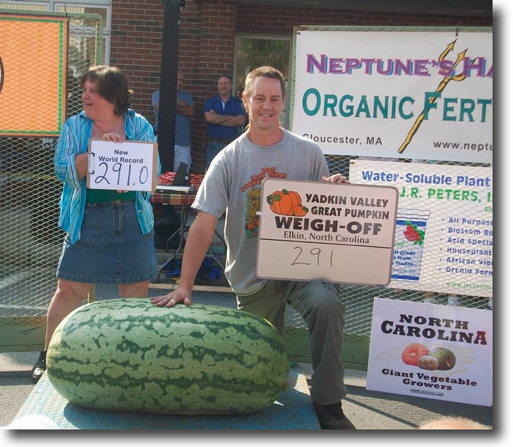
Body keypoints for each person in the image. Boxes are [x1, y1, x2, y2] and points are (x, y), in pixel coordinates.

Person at [151, 66, 355, 430]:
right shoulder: (228, 159)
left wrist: (338, 187)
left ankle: (329, 401)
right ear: (245, 101)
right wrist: (184, 284)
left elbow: (328, 210)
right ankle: (277, 379)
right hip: (252, 276)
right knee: (263, 368)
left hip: (301, 268)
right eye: (259, 98)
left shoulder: (308, 153)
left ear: (283, 104)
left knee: (327, 305)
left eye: (274, 99)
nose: (266, 106)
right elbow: (203, 224)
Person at [31, 65, 161, 383]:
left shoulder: (138, 124)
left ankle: (131, 361)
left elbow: (152, 171)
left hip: (131, 217)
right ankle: (48, 357)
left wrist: (124, 169)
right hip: (86, 217)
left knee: (135, 290)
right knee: (69, 289)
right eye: (85, 89)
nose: (85, 95)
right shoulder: (75, 126)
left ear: (112, 96)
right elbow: (62, 168)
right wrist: (96, 154)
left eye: (93, 90)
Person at [152, 71, 194, 172]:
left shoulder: (186, 95)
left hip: (182, 142)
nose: (180, 82)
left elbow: (190, 111)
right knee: (159, 173)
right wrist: (179, 104)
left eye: (181, 80)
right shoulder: (158, 94)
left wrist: (169, 106)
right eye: (177, 80)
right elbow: (161, 108)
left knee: (181, 175)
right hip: (163, 140)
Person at [203, 75, 246, 168]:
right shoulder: (211, 102)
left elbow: (241, 121)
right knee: (213, 174)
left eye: (226, 83)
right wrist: (231, 117)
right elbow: (209, 118)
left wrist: (217, 118)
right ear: (218, 86)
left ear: (231, 86)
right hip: (214, 145)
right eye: (221, 84)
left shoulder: (238, 102)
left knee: (232, 174)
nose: (223, 86)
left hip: (232, 145)